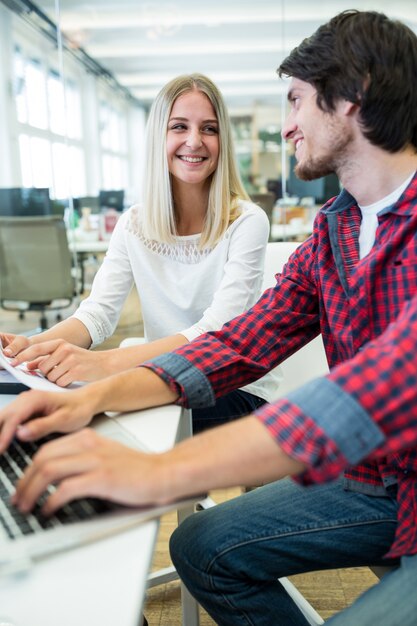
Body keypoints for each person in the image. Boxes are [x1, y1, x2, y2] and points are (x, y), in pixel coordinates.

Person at [1, 9, 417, 625]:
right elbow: (237, 343)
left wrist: (159, 472)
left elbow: (379, 389)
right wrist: (90, 397)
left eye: (296, 102)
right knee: (199, 547)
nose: (286, 129)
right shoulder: (334, 229)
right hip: (371, 479)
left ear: (351, 98)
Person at [0, 73, 278, 433]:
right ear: (158, 137)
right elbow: (98, 314)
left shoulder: (247, 221)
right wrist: (30, 348)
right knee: (75, 408)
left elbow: (215, 333)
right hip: (162, 377)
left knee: (97, 413)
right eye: (179, 126)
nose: (195, 141)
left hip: (234, 386)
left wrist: (105, 365)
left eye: (209, 129)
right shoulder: (134, 223)